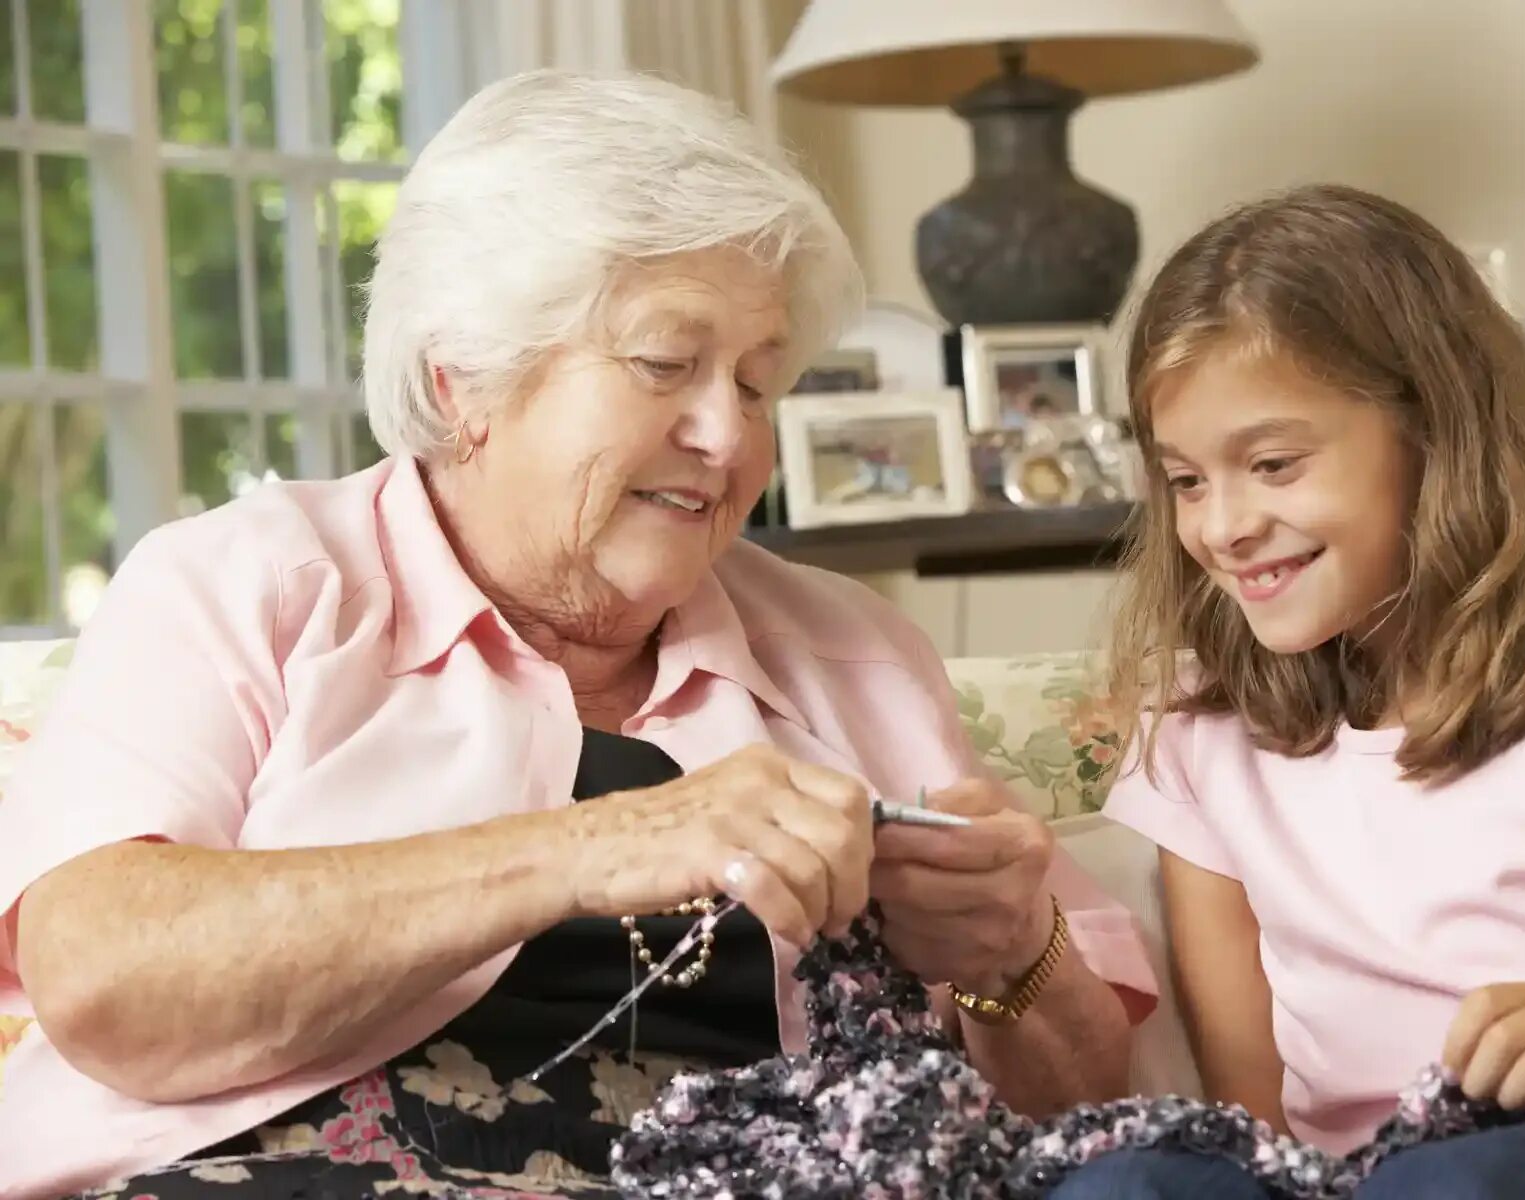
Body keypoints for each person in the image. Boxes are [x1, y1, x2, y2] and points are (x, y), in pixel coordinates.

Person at [0, 71, 1154, 1200]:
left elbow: (1097, 1126)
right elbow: (104, 980)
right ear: (468, 383)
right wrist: (587, 849)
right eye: (665, 364)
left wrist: (1011, 958)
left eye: (757, 384)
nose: (725, 434)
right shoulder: (254, 585)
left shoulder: (851, 658)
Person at [1049, 185, 1525, 1198]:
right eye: (1187, 480)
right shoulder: (1203, 738)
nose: (1222, 525)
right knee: (1131, 1183)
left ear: (1435, 434)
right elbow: (1251, 1124)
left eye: (1273, 464)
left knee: (1460, 1184)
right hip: (1363, 1181)